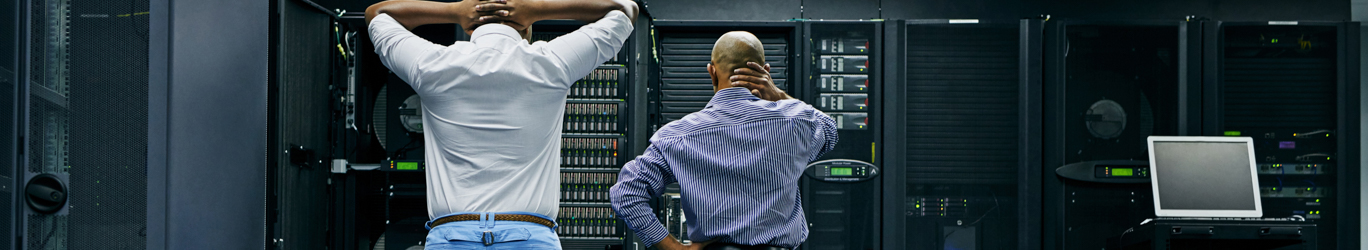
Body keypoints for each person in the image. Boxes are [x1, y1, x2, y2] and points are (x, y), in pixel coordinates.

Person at [364, 0, 637, 249]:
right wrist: (538, 9)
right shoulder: (552, 62)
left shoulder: (431, 64)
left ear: (470, 28)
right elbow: (625, 10)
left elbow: (377, 14)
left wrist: (454, 12)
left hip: (451, 236)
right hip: (530, 236)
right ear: (526, 28)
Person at [610, 31, 838, 250]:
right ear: (765, 72)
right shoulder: (795, 121)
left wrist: (672, 247)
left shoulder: (677, 136)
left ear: (712, 72)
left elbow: (626, 193)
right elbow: (829, 130)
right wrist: (778, 95)